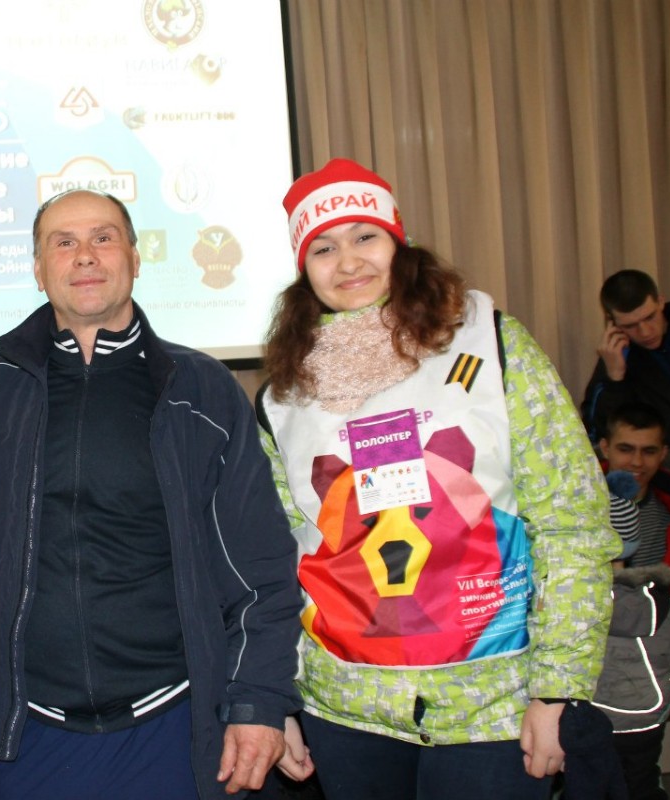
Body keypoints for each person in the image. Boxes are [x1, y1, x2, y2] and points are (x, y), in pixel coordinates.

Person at [0, 189, 310, 799]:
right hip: (28, 730)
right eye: (64, 242)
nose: (85, 255)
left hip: (174, 721)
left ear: (134, 256)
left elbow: (259, 565)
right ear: (38, 269)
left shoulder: (201, 391)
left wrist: (260, 698)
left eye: (103, 238)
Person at [258, 158, 616, 799]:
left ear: (400, 242)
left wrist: (560, 688)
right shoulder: (283, 394)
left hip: (493, 705)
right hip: (345, 709)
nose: (348, 261)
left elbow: (571, 520)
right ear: (302, 268)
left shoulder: (490, 345)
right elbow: (278, 557)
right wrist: (275, 698)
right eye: (323, 247)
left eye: (365, 236)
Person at [582, 269, 670, 480]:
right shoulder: (616, 358)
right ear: (612, 322)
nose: (645, 332)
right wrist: (615, 379)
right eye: (630, 325)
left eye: (650, 317)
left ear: (661, 302)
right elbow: (599, 437)